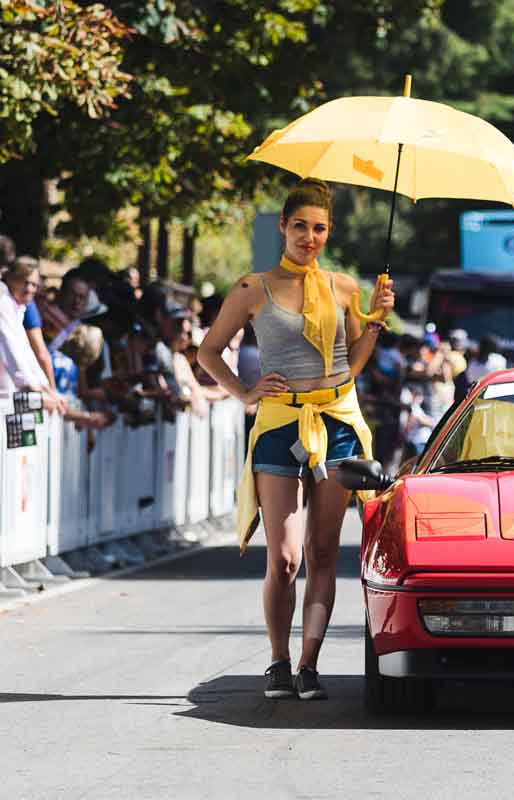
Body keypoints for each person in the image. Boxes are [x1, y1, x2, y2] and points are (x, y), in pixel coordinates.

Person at [196, 178, 395, 701]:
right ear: (282, 227)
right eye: (301, 226)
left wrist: (375, 321)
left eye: (320, 228)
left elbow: (351, 365)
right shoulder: (251, 288)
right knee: (283, 557)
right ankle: (278, 661)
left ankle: (309, 664)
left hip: (336, 424)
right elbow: (208, 351)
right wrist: (244, 392)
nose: (310, 236)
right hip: (280, 424)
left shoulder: (344, 287)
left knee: (324, 551)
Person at [0, 258, 67, 413]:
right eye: (25, 282)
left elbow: (25, 351)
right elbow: (12, 350)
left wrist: (47, 388)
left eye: (34, 285)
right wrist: (34, 389)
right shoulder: (3, 303)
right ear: (11, 279)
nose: (30, 289)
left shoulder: (19, 308)